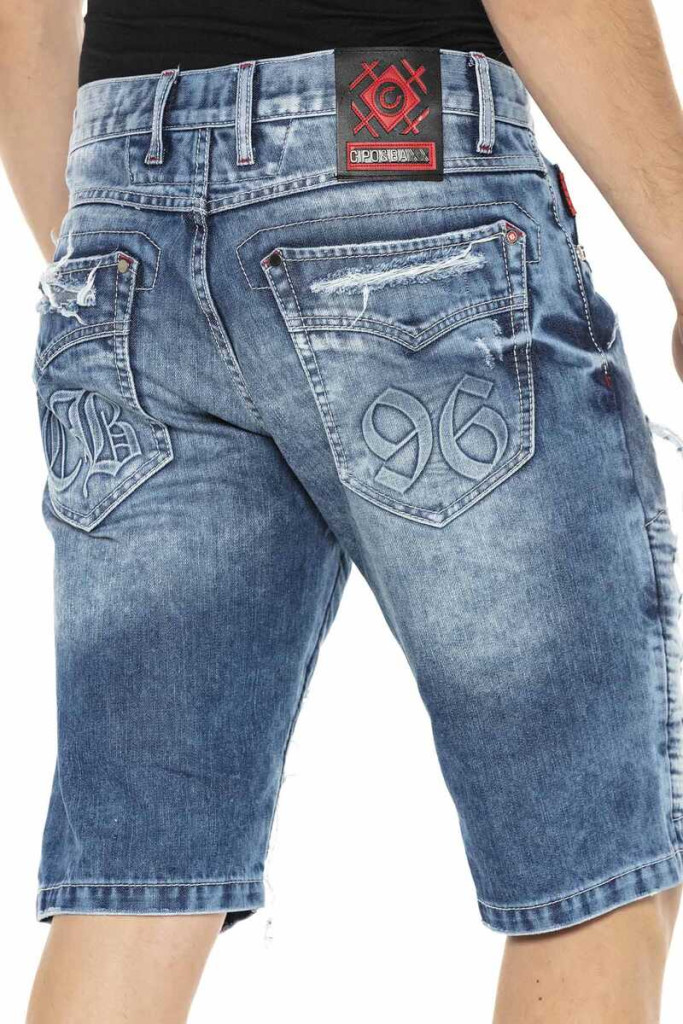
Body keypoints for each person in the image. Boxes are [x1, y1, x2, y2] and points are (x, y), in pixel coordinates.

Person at [1, 1, 682, 1021]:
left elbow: (22, 17)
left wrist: (114, 251)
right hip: (398, 172)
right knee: (594, 863)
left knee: (137, 884)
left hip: (118, 209)